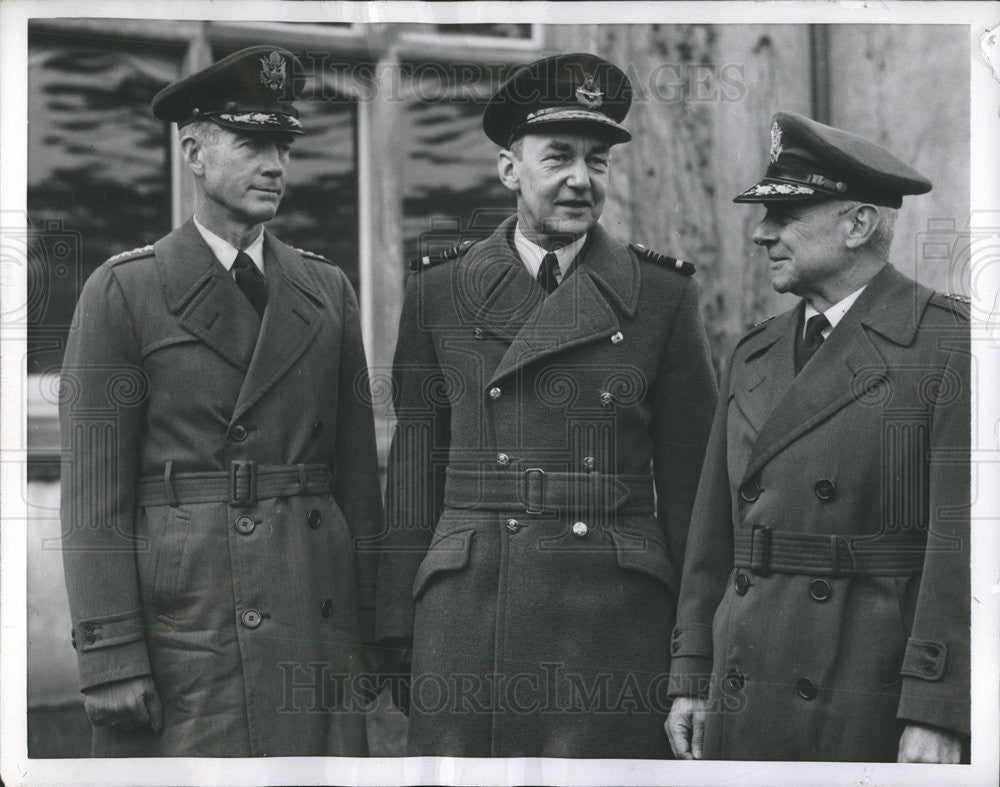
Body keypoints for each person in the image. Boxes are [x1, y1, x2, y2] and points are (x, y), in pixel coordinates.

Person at [374, 53, 718, 758]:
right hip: (468, 612)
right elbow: (412, 472)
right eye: (558, 156)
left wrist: (694, 655)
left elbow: (694, 495)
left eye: (597, 161)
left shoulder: (663, 297)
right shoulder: (439, 291)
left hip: (615, 619)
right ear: (509, 170)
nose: (579, 179)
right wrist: (394, 627)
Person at [58, 46, 383, 757]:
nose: (276, 164)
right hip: (188, 617)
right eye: (252, 143)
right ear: (195, 152)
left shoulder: (327, 291)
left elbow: (357, 476)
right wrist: (110, 651)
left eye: (283, 145)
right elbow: (92, 495)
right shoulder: (125, 291)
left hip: (312, 609)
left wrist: (375, 627)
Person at [665, 112, 970, 763]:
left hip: (864, 681)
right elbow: (712, 537)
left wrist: (939, 710)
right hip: (744, 674)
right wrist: (692, 674)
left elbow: (962, 552)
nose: (761, 232)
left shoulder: (947, 344)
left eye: (788, 214)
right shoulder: (754, 351)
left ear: (858, 224)